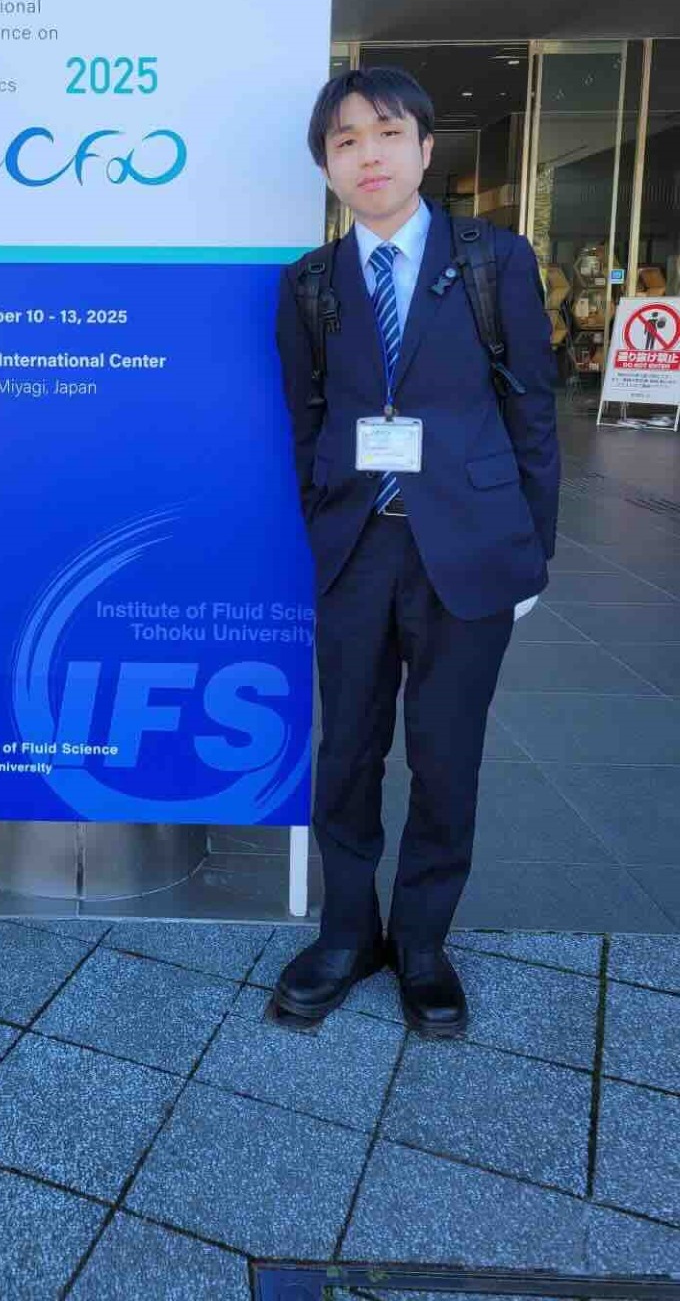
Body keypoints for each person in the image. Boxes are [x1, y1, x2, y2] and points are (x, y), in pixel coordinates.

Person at [272, 67, 559, 1036]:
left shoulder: (493, 261)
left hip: (469, 553)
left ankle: (425, 943)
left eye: (388, 133)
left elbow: (532, 414)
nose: (369, 155)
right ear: (326, 164)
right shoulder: (309, 285)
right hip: (358, 551)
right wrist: (324, 531)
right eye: (345, 140)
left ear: (426, 149)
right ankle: (347, 932)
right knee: (347, 750)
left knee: (447, 755)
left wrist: (531, 555)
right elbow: (306, 423)